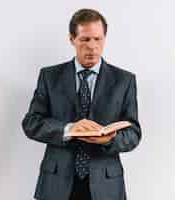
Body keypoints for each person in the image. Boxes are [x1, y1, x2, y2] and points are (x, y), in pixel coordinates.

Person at [22, 8, 141, 200]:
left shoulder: (124, 80)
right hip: (56, 183)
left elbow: (134, 133)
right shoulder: (50, 76)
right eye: (85, 39)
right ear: (72, 39)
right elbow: (31, 123)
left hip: (106, 185)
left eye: (97, 39)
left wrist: (109, 140)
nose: (92, 47)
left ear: (105, 38)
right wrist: (69, 129)